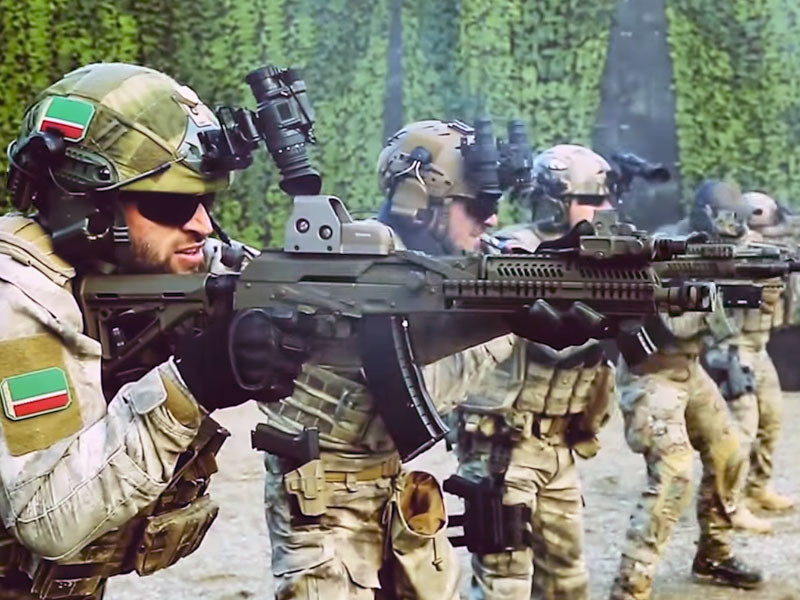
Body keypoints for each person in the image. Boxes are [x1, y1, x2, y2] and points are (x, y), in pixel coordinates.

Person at [257, 121, 603, 600]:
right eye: (478, 207)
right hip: (323, 500)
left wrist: (558, 280)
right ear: (418, 201)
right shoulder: (356, 264)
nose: (492, 220)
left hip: (394, 486)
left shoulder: (440, 267)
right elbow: (420, 389)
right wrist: (508, 320)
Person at [0, 63, 306, 599]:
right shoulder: (16, 295)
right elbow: (47, 518)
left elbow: (276, 281)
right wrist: (192, 383)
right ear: (88, 205)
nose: (201, 225)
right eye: (172, 204)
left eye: (207, 202)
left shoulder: (126, 268)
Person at [451, 144, 617, 600]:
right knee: (504, 584)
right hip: (504, 447)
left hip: (559, 446)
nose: (605, 208)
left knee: (567, 581)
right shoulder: (509, 255)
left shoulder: (602, 261)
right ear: (555, 202)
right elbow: (552, 345)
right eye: (592, 199)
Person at [610, 181, 763, 600]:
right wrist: (715, 298)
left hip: (689, 371)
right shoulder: (667, 250)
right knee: (674, 473)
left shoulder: (724, 249)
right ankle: (630, 587)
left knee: (730, 452)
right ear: (706, 217)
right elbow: (672, 327)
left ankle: (714, 553)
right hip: (651, 374)